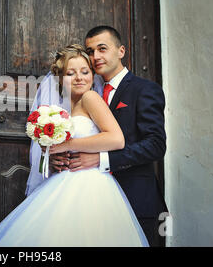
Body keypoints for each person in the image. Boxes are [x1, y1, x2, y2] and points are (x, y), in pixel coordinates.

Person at [0, 44, 148, 247]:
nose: (79, 77)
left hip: (89, 184)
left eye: (85, 72)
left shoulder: (90, 97)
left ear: (92, 75)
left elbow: (116, 139)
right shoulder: (65, 109)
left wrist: (68, 144)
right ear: (61, 79)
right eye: (71, 73)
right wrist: (53, 156)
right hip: (65, 179)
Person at [51, 26, 168, 246]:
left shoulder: (144, 89)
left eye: (102, 49)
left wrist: (101, 159)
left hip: (135, 198)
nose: (95, 56)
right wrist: (60, 158)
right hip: (88, 201)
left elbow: (155, 145)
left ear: (121, 51)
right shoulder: (84, 91)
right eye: (91, 51)